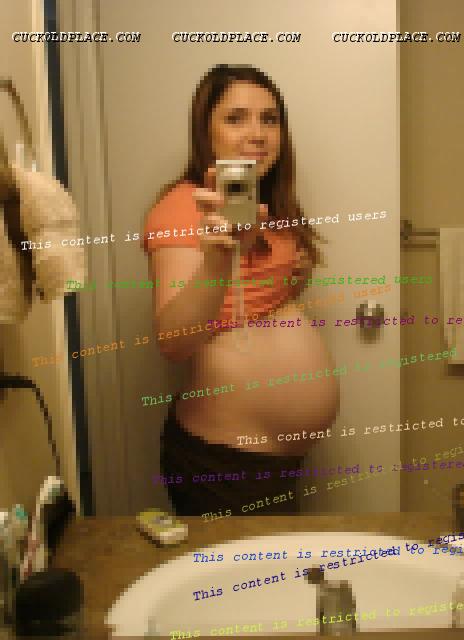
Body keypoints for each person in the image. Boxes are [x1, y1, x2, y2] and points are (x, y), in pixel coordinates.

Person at [143, 64, 339, 516]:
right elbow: (173, 342)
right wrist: (217, 258)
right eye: (236, 119)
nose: (258, 134)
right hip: (224, 463)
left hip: (269, 460)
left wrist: (295, 275)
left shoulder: (264, 206)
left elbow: (255, 299)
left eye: (270, 119)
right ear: (205, 131)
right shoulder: (184, 208)